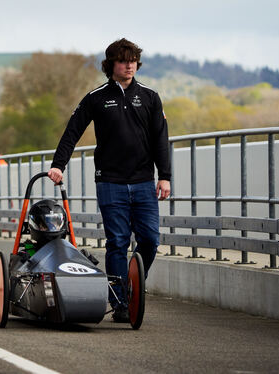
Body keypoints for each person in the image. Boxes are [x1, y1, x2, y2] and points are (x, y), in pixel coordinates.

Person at [47, 38, 171, 323]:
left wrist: (164, 176)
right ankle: (120, 303)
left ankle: (131, 284)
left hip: (143, 182)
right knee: (117, 241)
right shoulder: (97, 97)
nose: (129, 65)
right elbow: (72, 131)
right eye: (123, 60)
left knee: (150, 240)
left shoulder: (151, 97)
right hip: (110, 182)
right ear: (111, 65)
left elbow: (160, 139)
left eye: (133, 60)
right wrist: (58, 165)